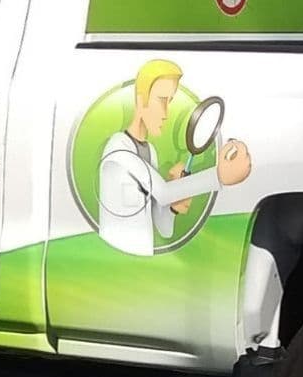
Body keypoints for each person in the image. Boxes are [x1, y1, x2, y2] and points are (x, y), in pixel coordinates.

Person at [95, 59, 250, 256]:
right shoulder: (117, 150)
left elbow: (163, 229)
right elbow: (163, 192)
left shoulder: (150, 151)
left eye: (170, 102)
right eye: (161, 100)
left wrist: (173, 208)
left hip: (141, 263)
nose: (166, 113)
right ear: (140, 101)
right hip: (114, 265)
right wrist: (218, 176)